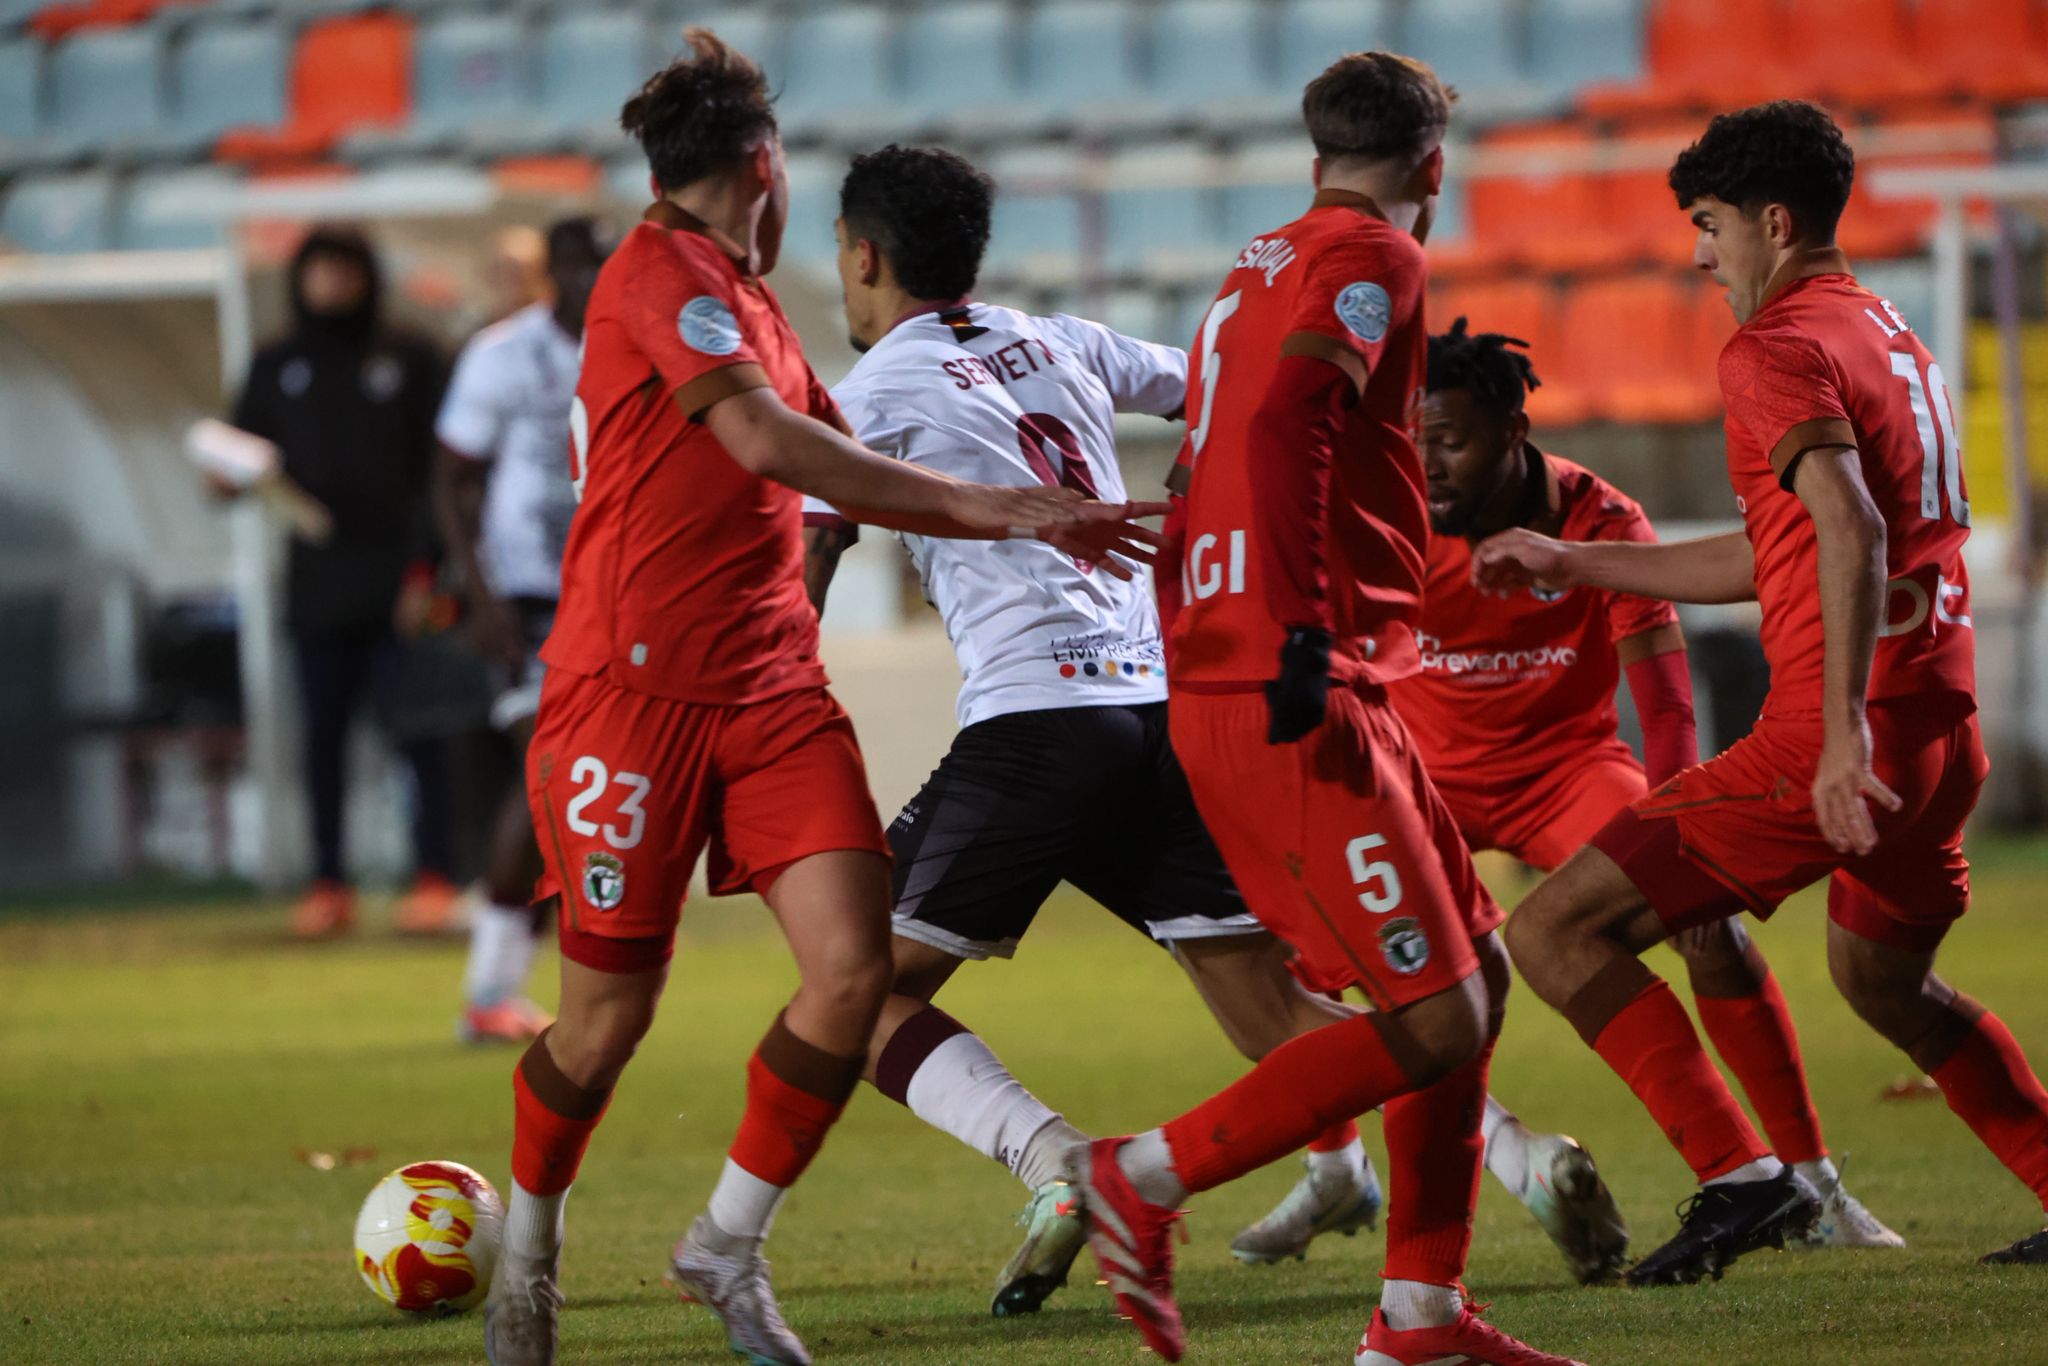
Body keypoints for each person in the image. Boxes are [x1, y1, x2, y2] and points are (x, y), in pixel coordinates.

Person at [802, 144, 1628, 1317]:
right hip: (1162, 710)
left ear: (862, 255)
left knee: (852, 991)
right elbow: (1229, 392)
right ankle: (1516, 1153)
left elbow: (816, 541)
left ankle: (1058, 1162)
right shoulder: (1063, 340)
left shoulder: (862, 396)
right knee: (1260, 999)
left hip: (1036, 719)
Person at [479, 32, 1164, 1366]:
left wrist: (1028, 504)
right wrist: (1002, 505)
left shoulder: (751, 303)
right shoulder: (659, 276)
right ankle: (529, 1253)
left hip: (772, 691)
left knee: (854, 974)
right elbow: (765, 439)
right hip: (628, 698)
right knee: (607, 1020)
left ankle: (726, 1246)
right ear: (765, 168)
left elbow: (845, 463)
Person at [1473, 99, 2048, 1285]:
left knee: (1548, 928)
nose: (1699, 254)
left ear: (1771, 223)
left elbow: (1849, 526)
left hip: (1836, 737)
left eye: (1707, 224)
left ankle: (1743, 1181)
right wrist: (1577, 562)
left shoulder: (1771, 346)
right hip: (1939, 731)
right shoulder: (1886, 331)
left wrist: (1835, 735)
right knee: (1880, 980)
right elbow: (1783, 548)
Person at [1074, 52, 1584, 1366]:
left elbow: (1207, 449)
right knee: (1439, 1013)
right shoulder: (1377, 256)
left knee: (1474, 975)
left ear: (1315, 159)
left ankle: (1419, 1319)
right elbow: (1290, 418)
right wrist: (1298, 622)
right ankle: (1140, 1174)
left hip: (1267, 663)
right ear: (1433, 165)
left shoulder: (1253, 264)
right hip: (1293, 674)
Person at [1376, 318, 1896, 1258]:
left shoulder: (1600, 519)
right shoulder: (1391, 517)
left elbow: (1663, 699)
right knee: (1375, 955)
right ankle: (1398, 1165)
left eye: (1448, 442)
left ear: (1513, 431)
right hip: (1424, 781)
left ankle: (1812, 1188)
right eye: (1416, 443)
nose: (1428, 466)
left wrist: (1681, 839)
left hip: (1563, 771)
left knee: (1713, 928)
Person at [229, 223, 460, 938]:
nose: (331, 283)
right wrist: (225, 475)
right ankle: (327, 884)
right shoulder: (276, 362)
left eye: (344, 269)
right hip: (318, 587)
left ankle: (434, 879)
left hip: (402, 583)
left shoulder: (412, 355)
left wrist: (427, 569)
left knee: (421, 736)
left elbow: (443, 473)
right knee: (322, 740)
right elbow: (242, 450)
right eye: (319, 270)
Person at [433, 217, 612, 1045]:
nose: (590, 279)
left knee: (578, 798)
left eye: (602, 264)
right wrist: (480, 595)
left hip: (616, 600)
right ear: (553, 271)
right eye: (577, 264)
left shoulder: (637, 347)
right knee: (548, 777)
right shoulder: (501, 353)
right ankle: (488, 990)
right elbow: (453, 476)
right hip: (527, 598)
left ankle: (507, 986)